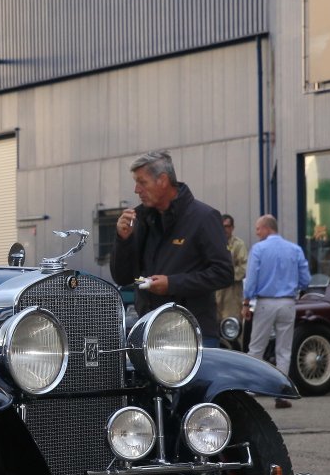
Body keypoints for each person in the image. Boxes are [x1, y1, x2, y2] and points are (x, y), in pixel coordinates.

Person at [109, 150, 232, 345]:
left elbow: (224, 273)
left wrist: (172, 284)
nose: (136, 190)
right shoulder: (139, 219)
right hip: (149, 335)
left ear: (163, 180)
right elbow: (125, 278)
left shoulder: (203, 218)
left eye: (142, 182)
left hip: (192, 336)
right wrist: (123, 240)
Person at [242, 215, 312, 409]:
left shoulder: (259, 249)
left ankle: (249, 391)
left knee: (256, 347)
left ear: (267, 228)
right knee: (284, 350)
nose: (257, 232)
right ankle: (281, 393)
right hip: (288, 302)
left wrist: (246, 302)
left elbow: (251, 279)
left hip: (265, 302)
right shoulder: (295, 249)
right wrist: (295, 287)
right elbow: (306, 279)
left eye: (258, 228)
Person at [215, 214, 248, 328]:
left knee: (232, 325)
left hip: (232, 292)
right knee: (214, 326)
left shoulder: (239, 245)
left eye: (227, 226)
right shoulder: (213, 243)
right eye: (222, 226)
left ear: (232, 228)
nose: (224, 229)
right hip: (215, 291)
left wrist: (225, 274)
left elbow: (244, 267)